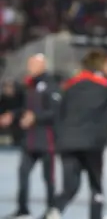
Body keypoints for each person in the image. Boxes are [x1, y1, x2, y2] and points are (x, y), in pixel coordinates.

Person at [50, 50, 107, 219]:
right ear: (102, 65)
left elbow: (58, 113)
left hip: (67, 142)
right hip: (92, 143)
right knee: (96, 186)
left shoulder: (69, 86)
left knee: (70, 187)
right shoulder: (103, 86)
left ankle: (54, 211)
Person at [0, 54, 61, 219]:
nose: (29, 68)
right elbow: (24, 108)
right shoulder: (29, 85)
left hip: (47, 139)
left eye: (32, 65)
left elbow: (55, 111)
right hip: (30, 139)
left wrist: (35, 117)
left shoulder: (51, 84)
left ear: (42, 65)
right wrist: (12, 115)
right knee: (22, 172)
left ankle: (51, 208)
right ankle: (22, 208)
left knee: (48, 177)